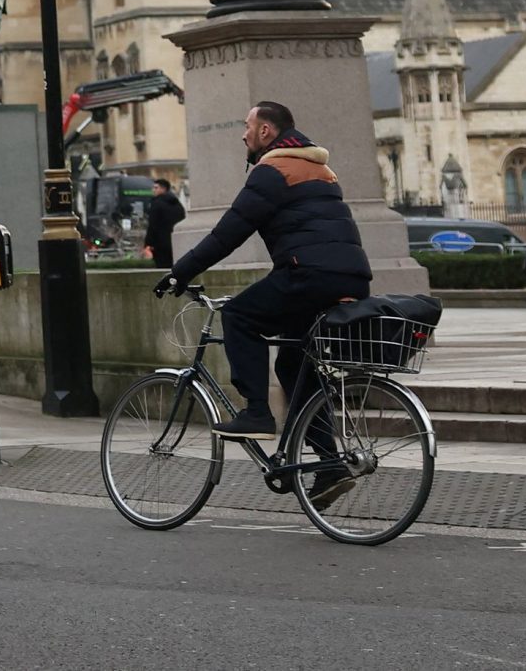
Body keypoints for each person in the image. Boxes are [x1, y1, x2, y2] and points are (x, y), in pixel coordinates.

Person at [157, 99, 370, 503]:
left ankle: (256, 412)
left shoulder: (273, 170)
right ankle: (328, 466)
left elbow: (227, 233)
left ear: (266, 132)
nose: (243, 134)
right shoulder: (321, 169)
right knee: (294, 363)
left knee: (238, 315)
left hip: (307, 275)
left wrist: (178, 273)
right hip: (352, 278)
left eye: (247, 127)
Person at [143, 179, 186, 270]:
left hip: (160, 245)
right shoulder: (177, 204)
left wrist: (148, 243)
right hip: (176, 242)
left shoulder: (156, 203)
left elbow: (153, 225)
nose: (153, 190)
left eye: (156, 188)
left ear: (163, 189)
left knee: (163, 270)